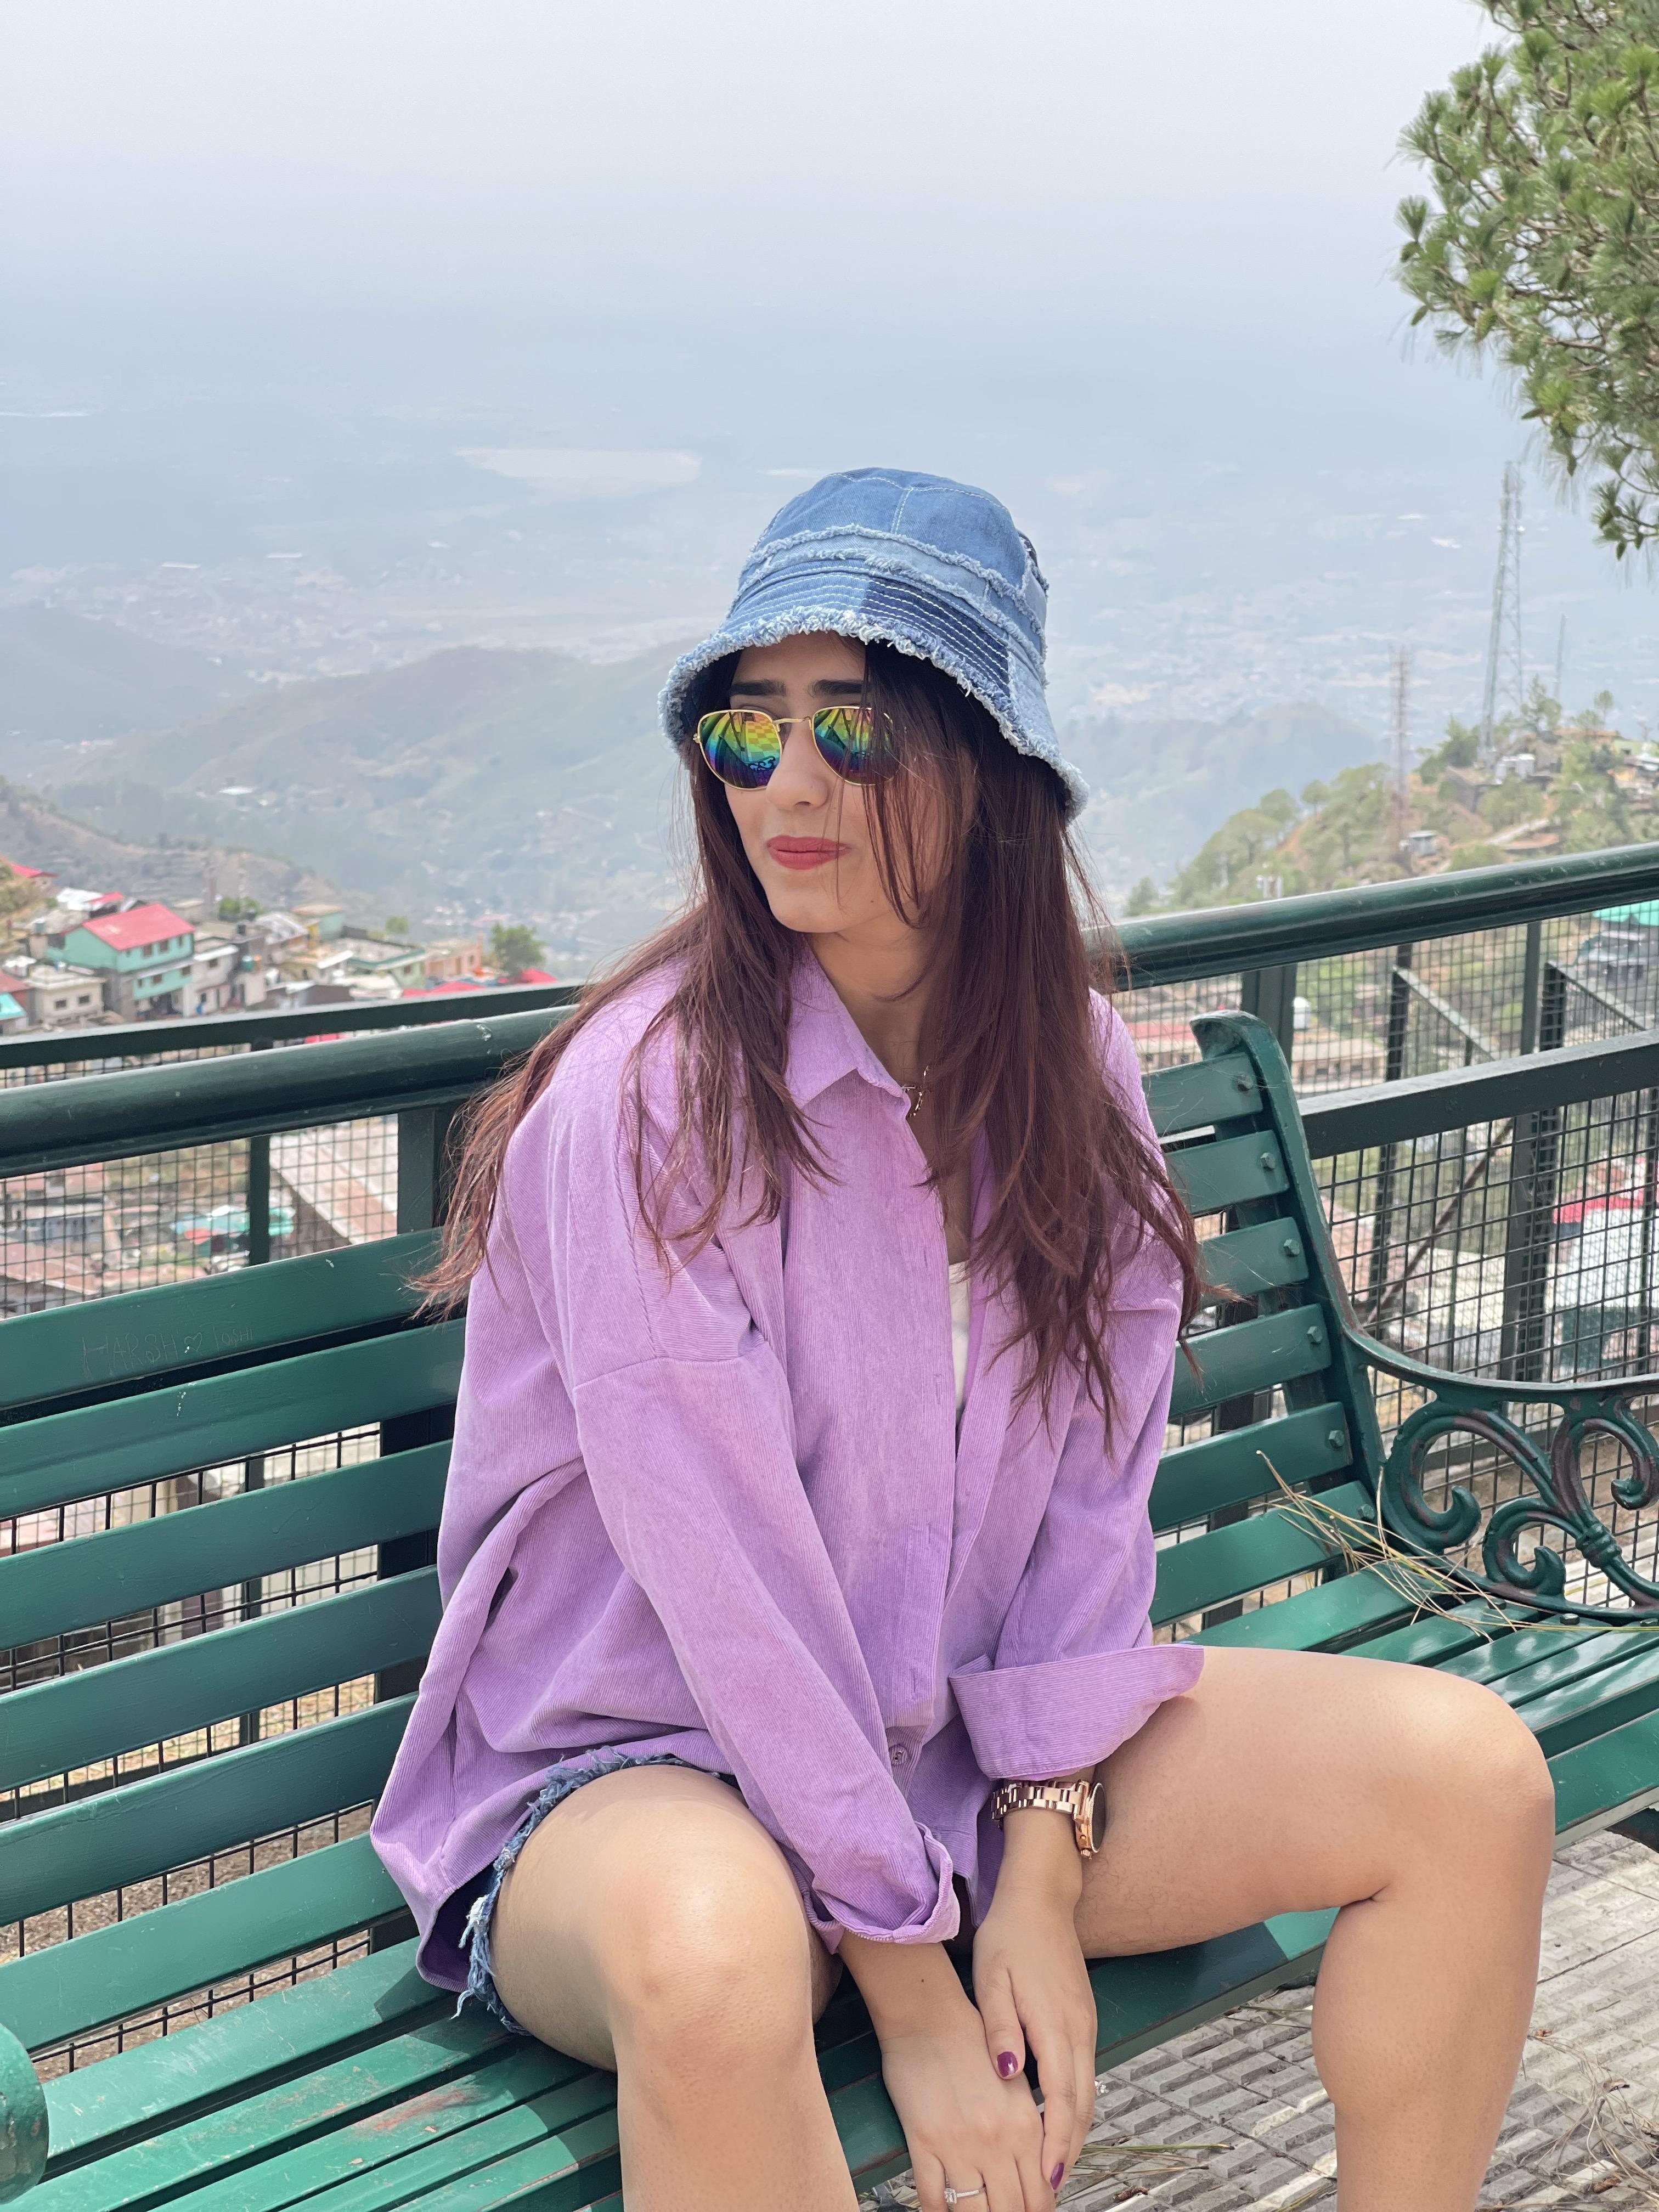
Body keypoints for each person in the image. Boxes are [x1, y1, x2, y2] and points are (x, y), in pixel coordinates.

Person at [371, 469, 1554, 2212]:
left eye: (852, 729)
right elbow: (728, 1588)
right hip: (637, 1779)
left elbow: (1091, 1502)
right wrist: (918, 1993)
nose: (788, 783)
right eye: (747, 728)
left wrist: (1043, 1875)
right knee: (715, 1959)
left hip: (948, 1755)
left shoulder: (1072, 1070)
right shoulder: (647, 1105)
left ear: (994, 768)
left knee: (1468, 1781)